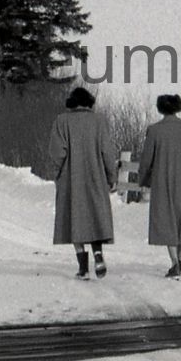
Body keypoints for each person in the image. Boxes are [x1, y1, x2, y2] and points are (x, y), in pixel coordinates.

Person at [47, 84, 120, 278]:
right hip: (96, 177)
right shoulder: (99, 121)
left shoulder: (62, 121)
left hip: (71, 179)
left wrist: (57, 172)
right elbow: (107, 152)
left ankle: (83, 268)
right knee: (94, 217)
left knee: (74, 219)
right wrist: (111, 176)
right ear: (89, 103)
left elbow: (57, 152)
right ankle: (98, 253)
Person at [134, 91, 181, 277]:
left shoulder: (154, 130)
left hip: (161, 181)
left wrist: (144, 180)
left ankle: (174, 262)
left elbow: (146, 160)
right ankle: (180, 257)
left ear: (160, 108)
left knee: (166, 220)